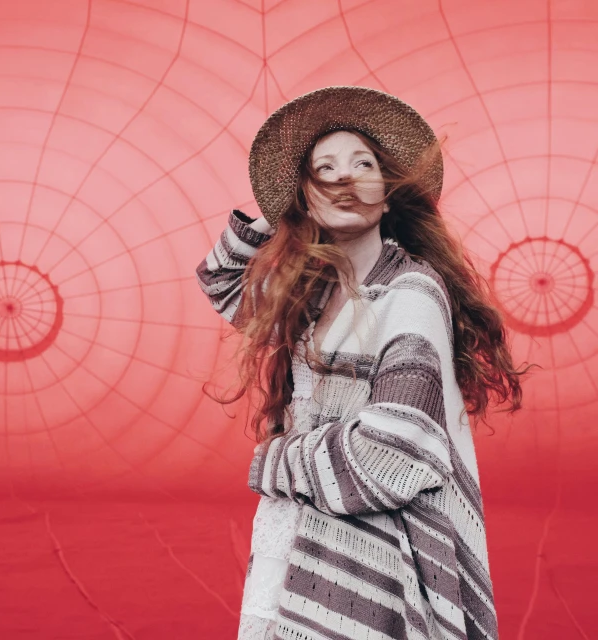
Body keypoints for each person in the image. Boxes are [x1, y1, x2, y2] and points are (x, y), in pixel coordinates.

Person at [195, 86, 534, 640]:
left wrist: (274, 464)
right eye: (325, 170)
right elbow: (221, 280)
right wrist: (282, 201)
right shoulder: (310, 294)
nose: (345, 178)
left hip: (374, 556)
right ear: (306, 198)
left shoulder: (410, 292)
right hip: (303, 534)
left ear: (388, 191)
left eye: (363, 165)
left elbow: (392, 453)